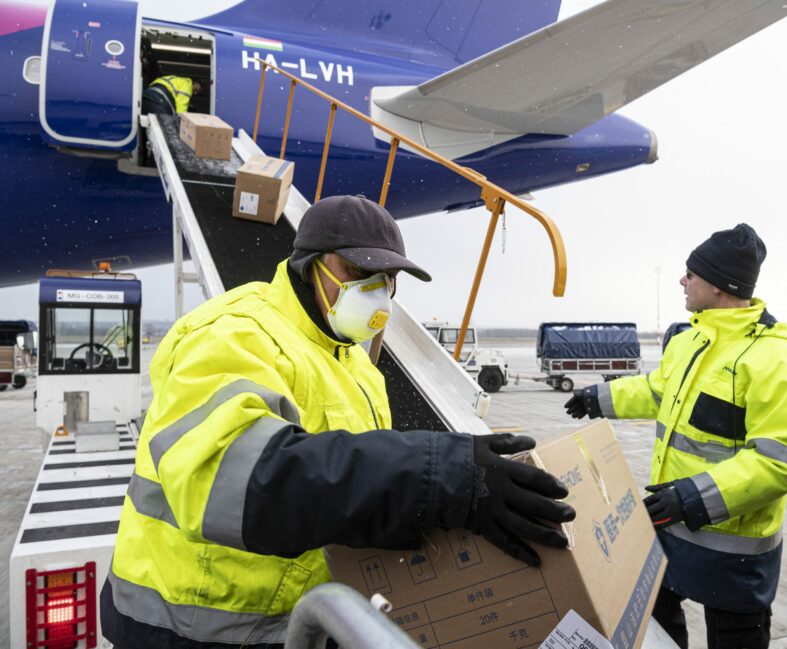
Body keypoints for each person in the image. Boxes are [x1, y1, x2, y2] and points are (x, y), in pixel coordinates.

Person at [101, 195, 575, 649]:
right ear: (311, 265)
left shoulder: (358, 365)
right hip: (192, 630)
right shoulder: (234, 334)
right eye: (359, 271)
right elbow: (239, 483)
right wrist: (436, 475)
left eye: (388, 277)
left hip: (300, 623)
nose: (378, 291)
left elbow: (354, 485)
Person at [564, 224, 787, 649]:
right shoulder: (690, 342)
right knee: (659, 630)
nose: (683, 280)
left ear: (719, 286)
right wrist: (598, 398)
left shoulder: (778, 359)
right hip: (671, 530)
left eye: (691, 273)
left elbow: (780, 461)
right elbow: (658, 390)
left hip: (733, 548)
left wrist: (691, 498)